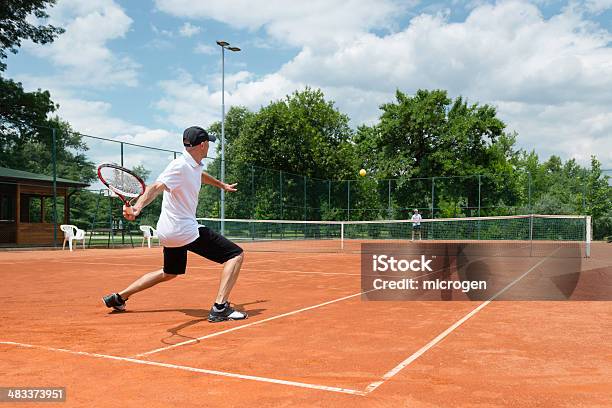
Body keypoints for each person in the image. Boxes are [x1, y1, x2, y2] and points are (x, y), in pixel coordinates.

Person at [102, 126, 247, 323]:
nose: (209, 147)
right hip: (183, 230)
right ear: (203, 145)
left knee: (169, 273)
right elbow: (156, 187)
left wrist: (221, 185)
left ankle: (119, 297)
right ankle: (220, 307)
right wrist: (137, 208)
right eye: (209, 143)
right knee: (235, 255)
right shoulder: (178, 166)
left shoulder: (193, 165)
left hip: (168, 231)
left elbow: (200, 176)